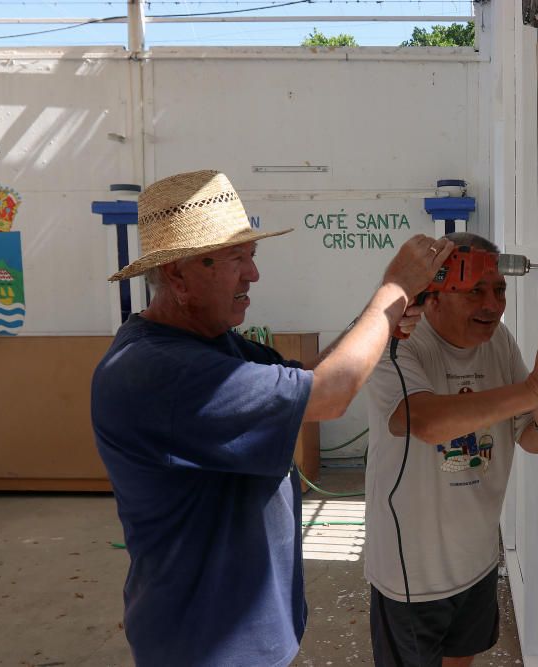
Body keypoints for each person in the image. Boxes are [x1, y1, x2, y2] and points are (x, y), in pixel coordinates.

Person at [90, 169, 454, 667]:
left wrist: (381, 328)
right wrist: (391, 293)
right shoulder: (159, 372)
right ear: (177, 274)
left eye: (252, 257)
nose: (253, 275)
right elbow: (328, 396)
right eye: (236, 259)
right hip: (205, 645)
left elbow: (310, 378)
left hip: (246, 634)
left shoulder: (215, 343)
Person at [364, 232, 538, 666]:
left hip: (477, 562)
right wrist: (531, 390)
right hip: (411, 575)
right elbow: (426, 422)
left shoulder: (499, 341)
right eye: (475, 291)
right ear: (430, 297)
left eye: (499, 289)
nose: (493, 304)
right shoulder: (394, 344)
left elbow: (526, 434)